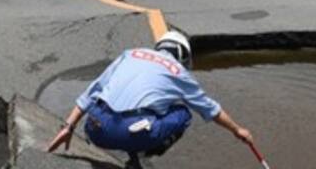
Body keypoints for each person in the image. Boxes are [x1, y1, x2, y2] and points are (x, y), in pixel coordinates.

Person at [47, 31, 254, 168]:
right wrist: (237, 130)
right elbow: (211, 110)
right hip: (128, 132)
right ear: (184, 55)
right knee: (183, 113)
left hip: (94, 127)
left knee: (142, 109)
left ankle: (134, 159)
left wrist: (68, 127)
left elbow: (92, 91)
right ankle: (145, 153)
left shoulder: (130, 54)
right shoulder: (178, 72)